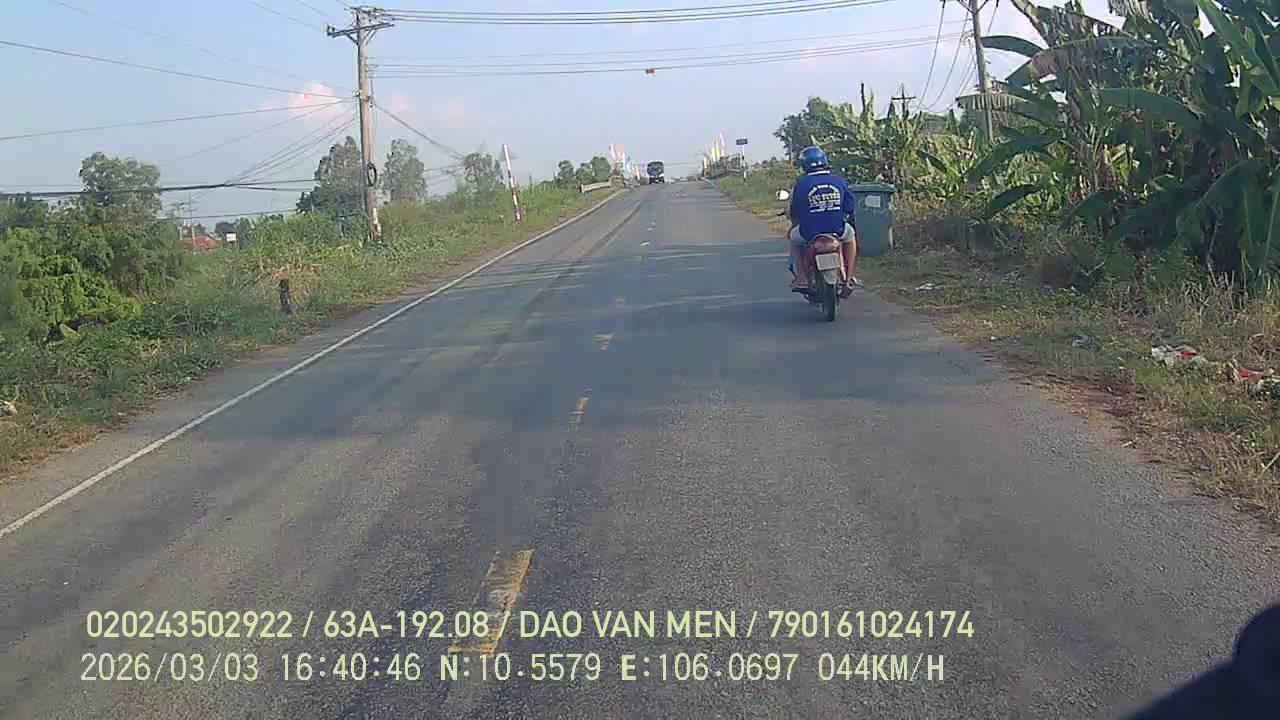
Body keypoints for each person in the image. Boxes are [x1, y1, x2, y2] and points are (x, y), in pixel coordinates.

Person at [787, 146, 860, 292]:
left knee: (794, 240)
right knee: (850, 237)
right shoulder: (839, 181)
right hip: (837, 230)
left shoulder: (801, 185)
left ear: (804, 165)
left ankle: (802, 278)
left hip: (809, 232)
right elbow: (849, 207)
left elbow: (795, 212)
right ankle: (849, 277)